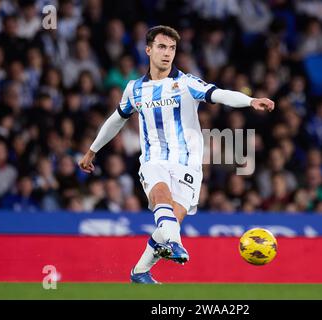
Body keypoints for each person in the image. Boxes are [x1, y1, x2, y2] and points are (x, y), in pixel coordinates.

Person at [78, 25, 275, 284]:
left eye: (172, 48)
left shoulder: (186, 83)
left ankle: (139, 272)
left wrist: (250, 101)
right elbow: (116, 120)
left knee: (172, 219)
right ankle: (175, 244)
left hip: (188, 164)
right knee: (161, 196)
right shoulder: (134, 89)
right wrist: (92, 150)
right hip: (153, 159)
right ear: (148, 50)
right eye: (161, 47)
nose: (167, 53)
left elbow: (219, 94)